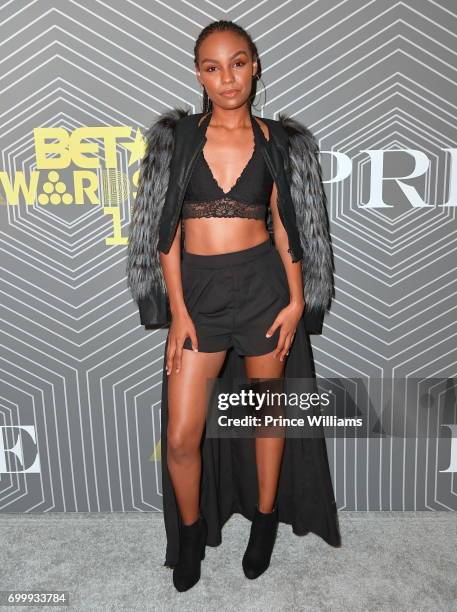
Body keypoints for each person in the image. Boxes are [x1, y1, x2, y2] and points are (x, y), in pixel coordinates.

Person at [126, 19, 341, 592]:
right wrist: (179, 311)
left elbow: (291, 228)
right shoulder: (175, 140)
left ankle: (265, 523)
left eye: (238, 62)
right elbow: (163, 230)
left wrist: (296, 301)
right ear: (198, 73)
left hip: (264, 291)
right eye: (213, 66)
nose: (228, 77)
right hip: (198, 296)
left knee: (266, 415)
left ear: (255, 67)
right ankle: (191, 534)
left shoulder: (280, 142)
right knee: (180, 436)